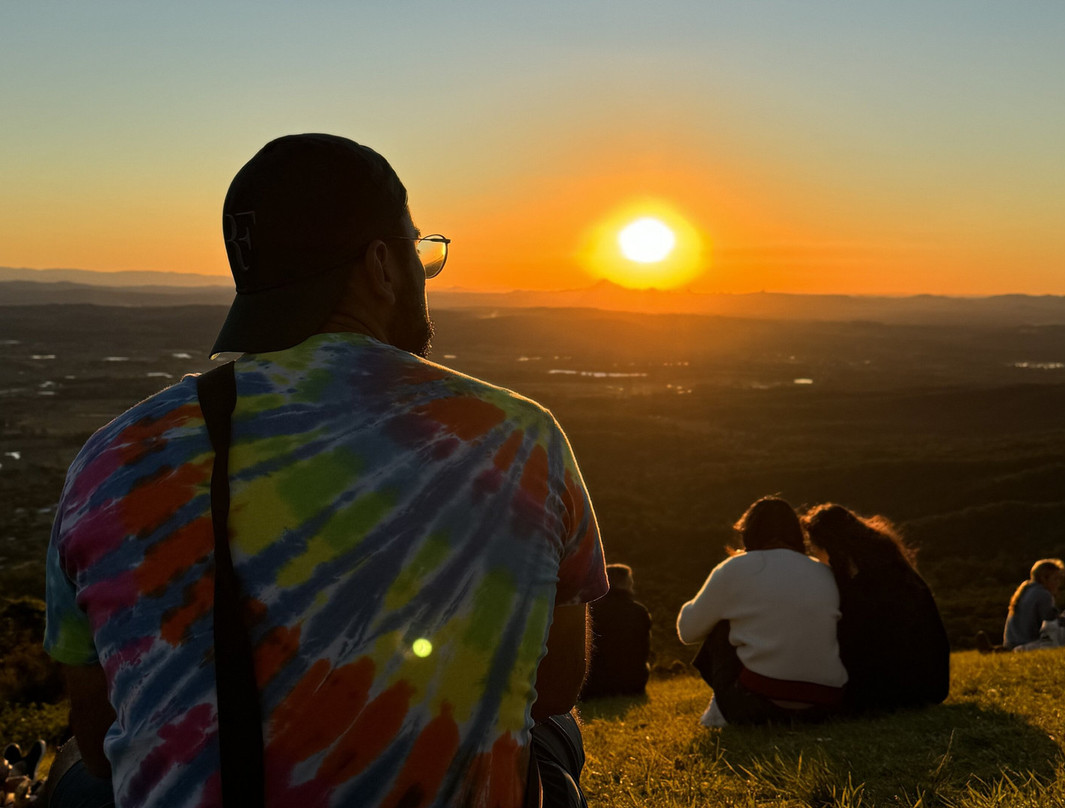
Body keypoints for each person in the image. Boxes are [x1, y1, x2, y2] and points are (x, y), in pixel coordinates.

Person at [44, 134, 608, 808]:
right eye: (419, 250)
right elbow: (555, 686)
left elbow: (101, 730)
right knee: (557, 740)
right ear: (381, 264)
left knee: (76, 773)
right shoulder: (522, 438)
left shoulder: (109, 461)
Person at [676, 497, 846, 727]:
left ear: (749, 531)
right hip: (825, 704)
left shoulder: (734, 569)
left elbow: (688, 632)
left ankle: (717, 713)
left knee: (721, 626)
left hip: (759, 704)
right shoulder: (824, 571)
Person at [803, 504, 950, 712]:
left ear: (829, 547)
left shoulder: (861, 589)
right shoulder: (898, 571)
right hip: (929, 687)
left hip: (886, 695)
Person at [580, 564, 651, 700]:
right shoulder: (639, 612)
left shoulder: (590, 611)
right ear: (627, 583)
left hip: (594, 687)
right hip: (633, 685)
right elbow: (644, 649)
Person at [1003, 559, 1065, 649]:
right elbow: (1049, 624)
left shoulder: (1025, 590)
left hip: (1010, 643)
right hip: (1027, 643)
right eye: (1055, 579)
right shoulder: (1043, 594)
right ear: (1043, 578)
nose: (1058, 583)